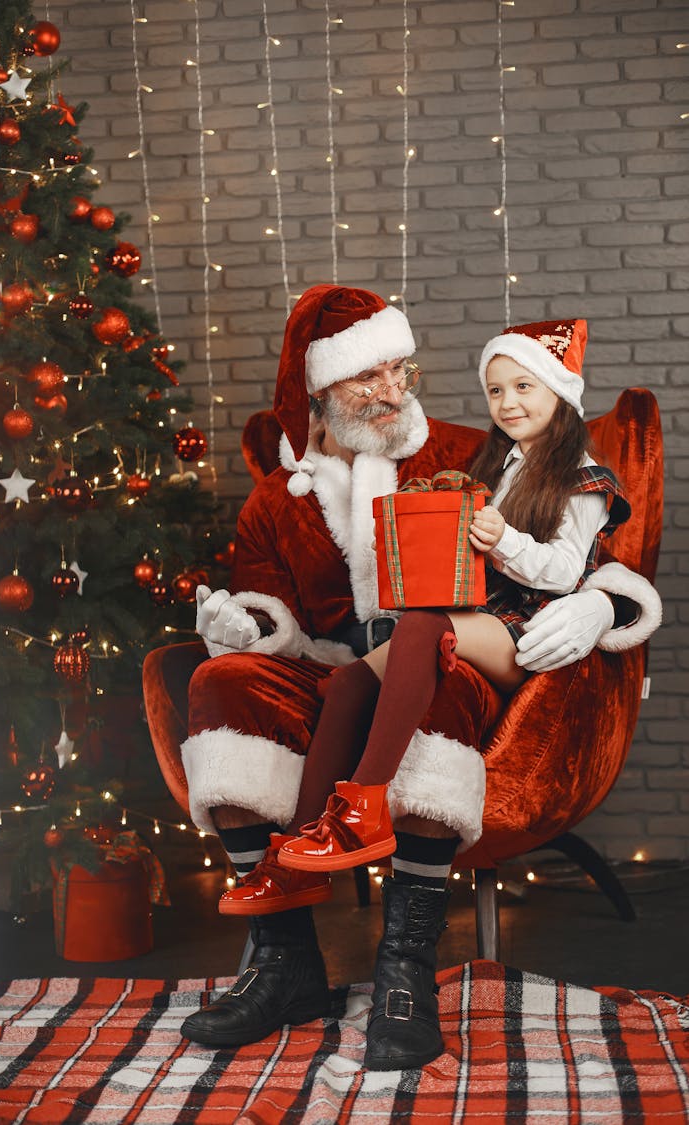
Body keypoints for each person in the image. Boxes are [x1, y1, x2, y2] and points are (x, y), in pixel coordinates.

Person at [177, 285, 660, 1070]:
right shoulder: (273, 502)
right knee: (221, 684)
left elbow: (585, 552)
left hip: (453, 655)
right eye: (371, 378)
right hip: (337, 666)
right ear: (322, 389)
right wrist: (247, 625)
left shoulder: (464, 452)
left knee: (434, 671)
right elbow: (267, 604)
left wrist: (602, 608)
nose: (397, 391)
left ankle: (404, 973)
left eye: (403, 370)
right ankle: (285, 957)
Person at [267, 317, 631, 879]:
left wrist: (504, 540)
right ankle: (291, 857)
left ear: (559, 390)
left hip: (529, 634)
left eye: (524, 386)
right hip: (486, 616)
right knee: (347, 684)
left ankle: (364, 807)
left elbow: (563, 571)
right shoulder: (498, 463)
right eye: (495, 390)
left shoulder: (585, 479)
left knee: (423, 623)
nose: (508, 403)